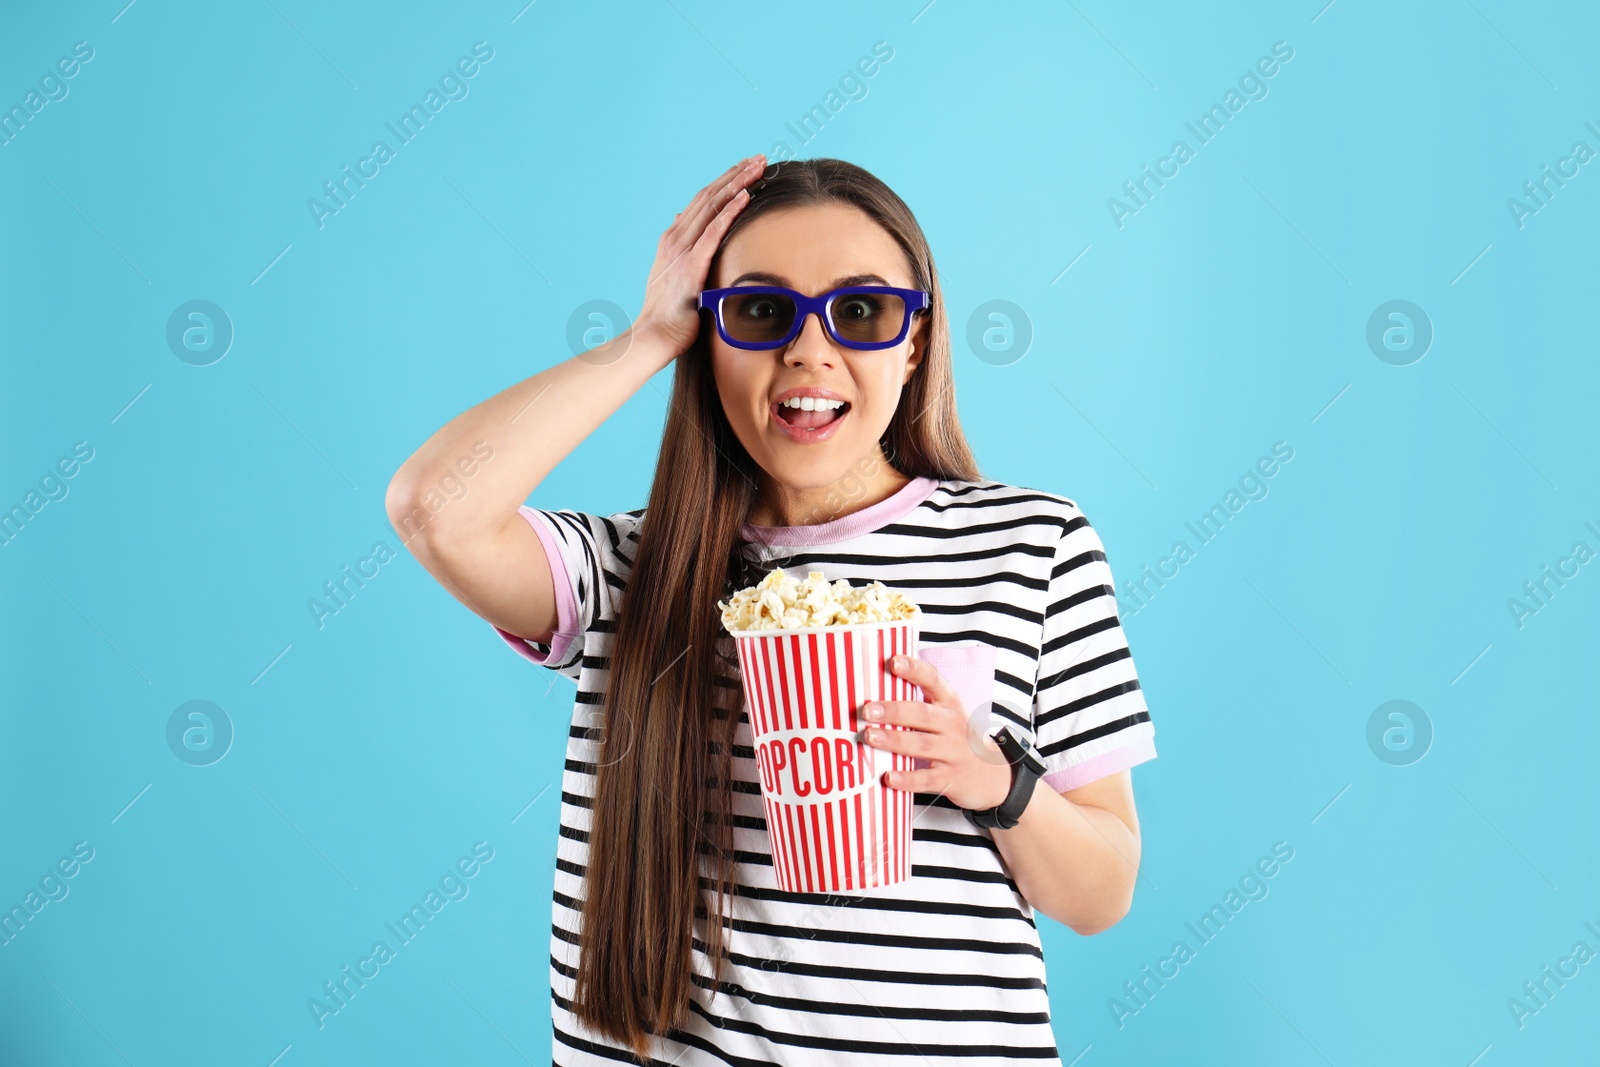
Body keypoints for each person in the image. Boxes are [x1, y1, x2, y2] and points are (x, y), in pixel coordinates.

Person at [386, 155, 1158, 1065]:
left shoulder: (1032, 547)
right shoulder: (629, 569)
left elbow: (1102, 892)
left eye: (861, 311)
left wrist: (991, 778)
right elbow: (435, 508)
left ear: (915, 341)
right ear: (709, 338)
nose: (809, 349)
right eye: (760, 311)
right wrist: (645, 336)